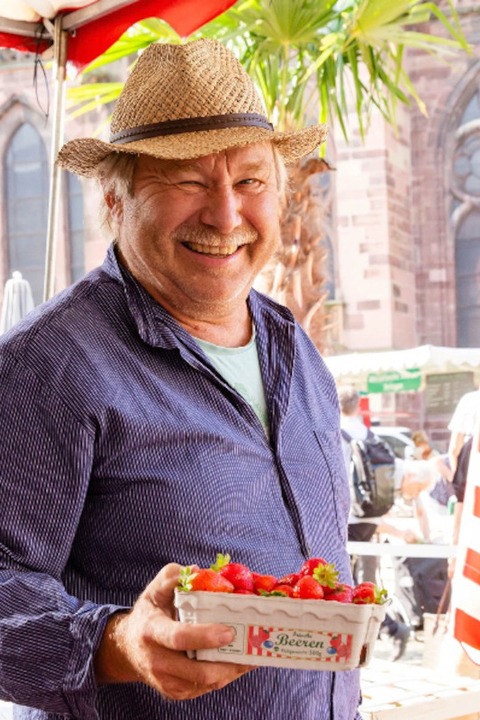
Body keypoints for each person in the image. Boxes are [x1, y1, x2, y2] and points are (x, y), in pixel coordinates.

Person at [0, 39, 360, 719]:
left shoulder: (294, 348)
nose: (226, 216)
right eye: (188, 181)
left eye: (251, 180)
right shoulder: (46, 365)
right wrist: (117, 642)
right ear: (115, 199)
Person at [338, 385, 411, 661]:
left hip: (348, 517)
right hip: (370, 516)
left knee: (347, 581)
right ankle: (383, 629)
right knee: (359, 579)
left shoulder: (335, 432)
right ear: (358, 407)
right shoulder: (368, 433)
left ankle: (390, 628)